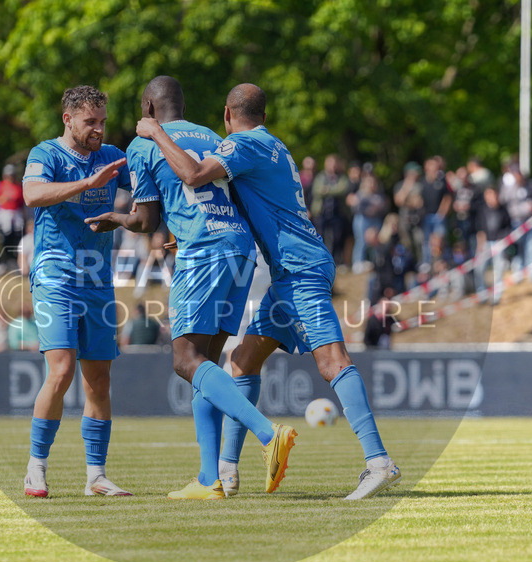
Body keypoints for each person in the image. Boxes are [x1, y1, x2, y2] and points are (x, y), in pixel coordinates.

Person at [136, 83, 398, 500]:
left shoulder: (242, 145)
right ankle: (227, 470)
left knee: (332, 361)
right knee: (241, 361)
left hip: (299, 266)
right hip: (292, 268)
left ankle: (378, 461)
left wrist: (156, 133)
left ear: (226, 115)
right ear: (265, 113)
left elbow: (192, 173)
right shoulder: (274, 144)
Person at [90, 76, 296, 499]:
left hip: (204, 252)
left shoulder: (145, 142)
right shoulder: (208, 134)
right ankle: (209, 479)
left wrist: (116, 219)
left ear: (148, 107)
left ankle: (266, 433)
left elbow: (145, 220)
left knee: (185, 360)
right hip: (238, 247)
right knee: (208, 363)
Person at [19, 85, 133, 498]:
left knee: (99, 380)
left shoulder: (113, 156)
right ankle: (36, 468)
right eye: (90, 122)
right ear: (67, 119)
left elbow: (147, 201)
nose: (98, 130)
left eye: (102, 121)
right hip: (55, 277)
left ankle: (96, 477)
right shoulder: (45, 155)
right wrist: (87, 184)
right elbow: (32, 194)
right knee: (62, 369)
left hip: (99, 281)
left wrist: (121, 219)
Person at [0, 164, 25, 258]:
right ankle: (6, 256)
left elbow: (22, 202)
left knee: (18, 233)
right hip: (5, 212)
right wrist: (5, 198)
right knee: (5, 234)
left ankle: (15, 256)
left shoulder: (18, 186)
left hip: (16, 212)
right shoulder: (1, 185)